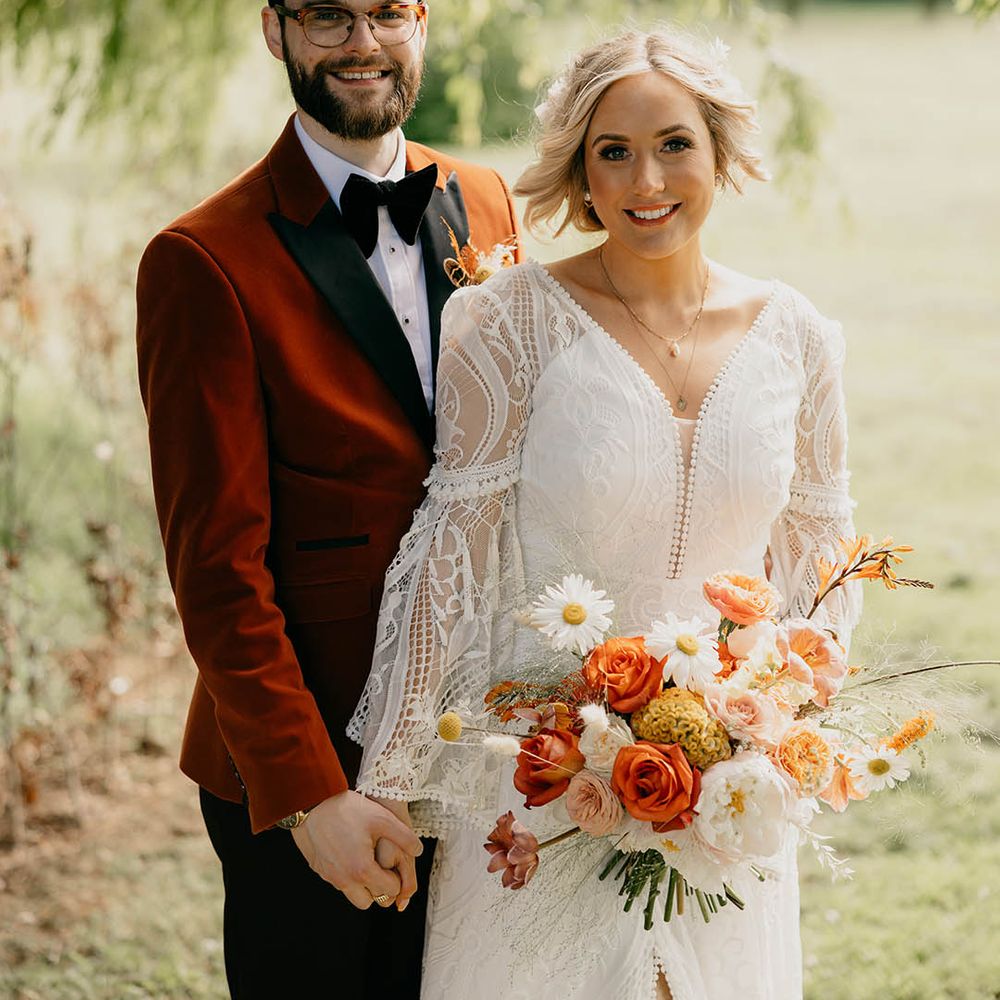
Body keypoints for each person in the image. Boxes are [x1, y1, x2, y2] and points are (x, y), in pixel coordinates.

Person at [349, 26, 862, 1000]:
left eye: (673, 143)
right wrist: (392, 779)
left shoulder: (798, 336)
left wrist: (766, 727)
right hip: (544, 777)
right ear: (580, 172)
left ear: (718, 150)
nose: (644, 180)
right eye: (611, 152)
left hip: (726, 789)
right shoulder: (506, 323)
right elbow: (451, 557)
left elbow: (821, 567)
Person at [135, 1, 519, 996]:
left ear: (422, 23)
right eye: (324, 16)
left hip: (476, 749)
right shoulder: (201, 260)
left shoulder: (485, 198)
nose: (361, 42)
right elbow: (217, 571)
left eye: (386, 11)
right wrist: (312, 798)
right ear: (275, 32)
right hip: (319, 756)